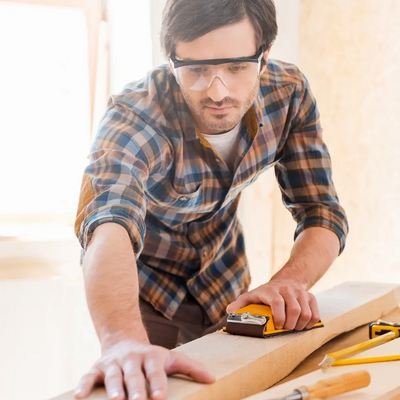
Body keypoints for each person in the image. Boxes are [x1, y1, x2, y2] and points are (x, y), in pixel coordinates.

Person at [73, 1, 348, 399]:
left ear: (264, 55)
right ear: (171, 61)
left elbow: (322, 212)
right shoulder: (135, 115)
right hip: (144, 297)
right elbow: (108, 222)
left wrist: (289, 283)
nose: (218, 92)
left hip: (227, 285)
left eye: (237, 68)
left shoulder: (289, 93)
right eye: (197, 70)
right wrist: (121, 339)